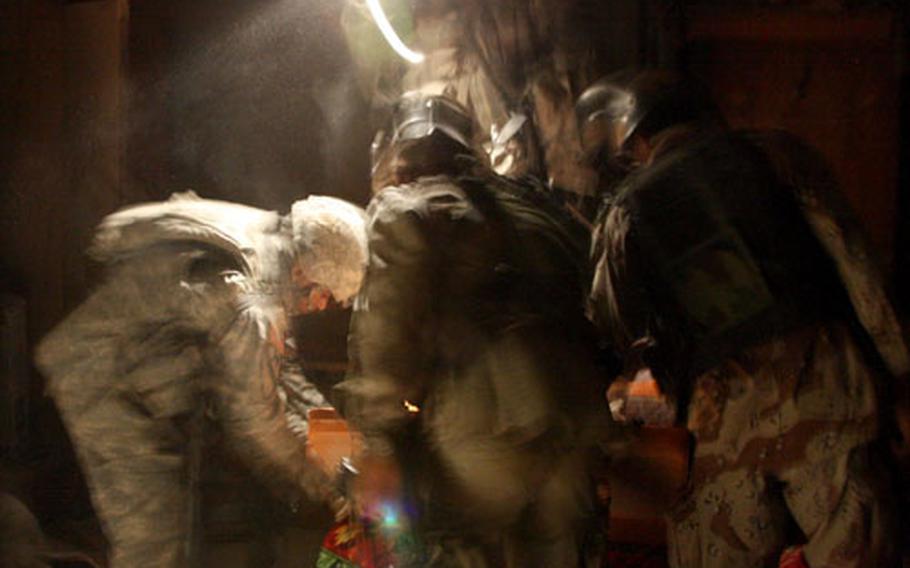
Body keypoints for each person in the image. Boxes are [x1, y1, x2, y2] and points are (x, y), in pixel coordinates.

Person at [576, 70, 906, 568]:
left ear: (638, 141)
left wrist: (644, 416)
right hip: (828, 386)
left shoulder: (624, 213)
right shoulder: (777, 155)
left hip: (722, 416)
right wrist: (900, 375)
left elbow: (627, 339)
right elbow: (859, 270)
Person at [339, 92, 614, 567]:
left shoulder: (408, 209)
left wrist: (380, 443)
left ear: (401, 159)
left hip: (483, 435)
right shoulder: (536, 212)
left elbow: (388, 328)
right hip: (571, 427)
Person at [35, 191, 369, 567]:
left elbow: (281, 372)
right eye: (324, 293)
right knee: (152, 536)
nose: (322, 306)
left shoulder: (270, 248)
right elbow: (256, 420)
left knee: (173, 520)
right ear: (303, 272)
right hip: (105, 381)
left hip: (134, 375)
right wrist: (329, 489)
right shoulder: (251, 300)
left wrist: (339, 443)